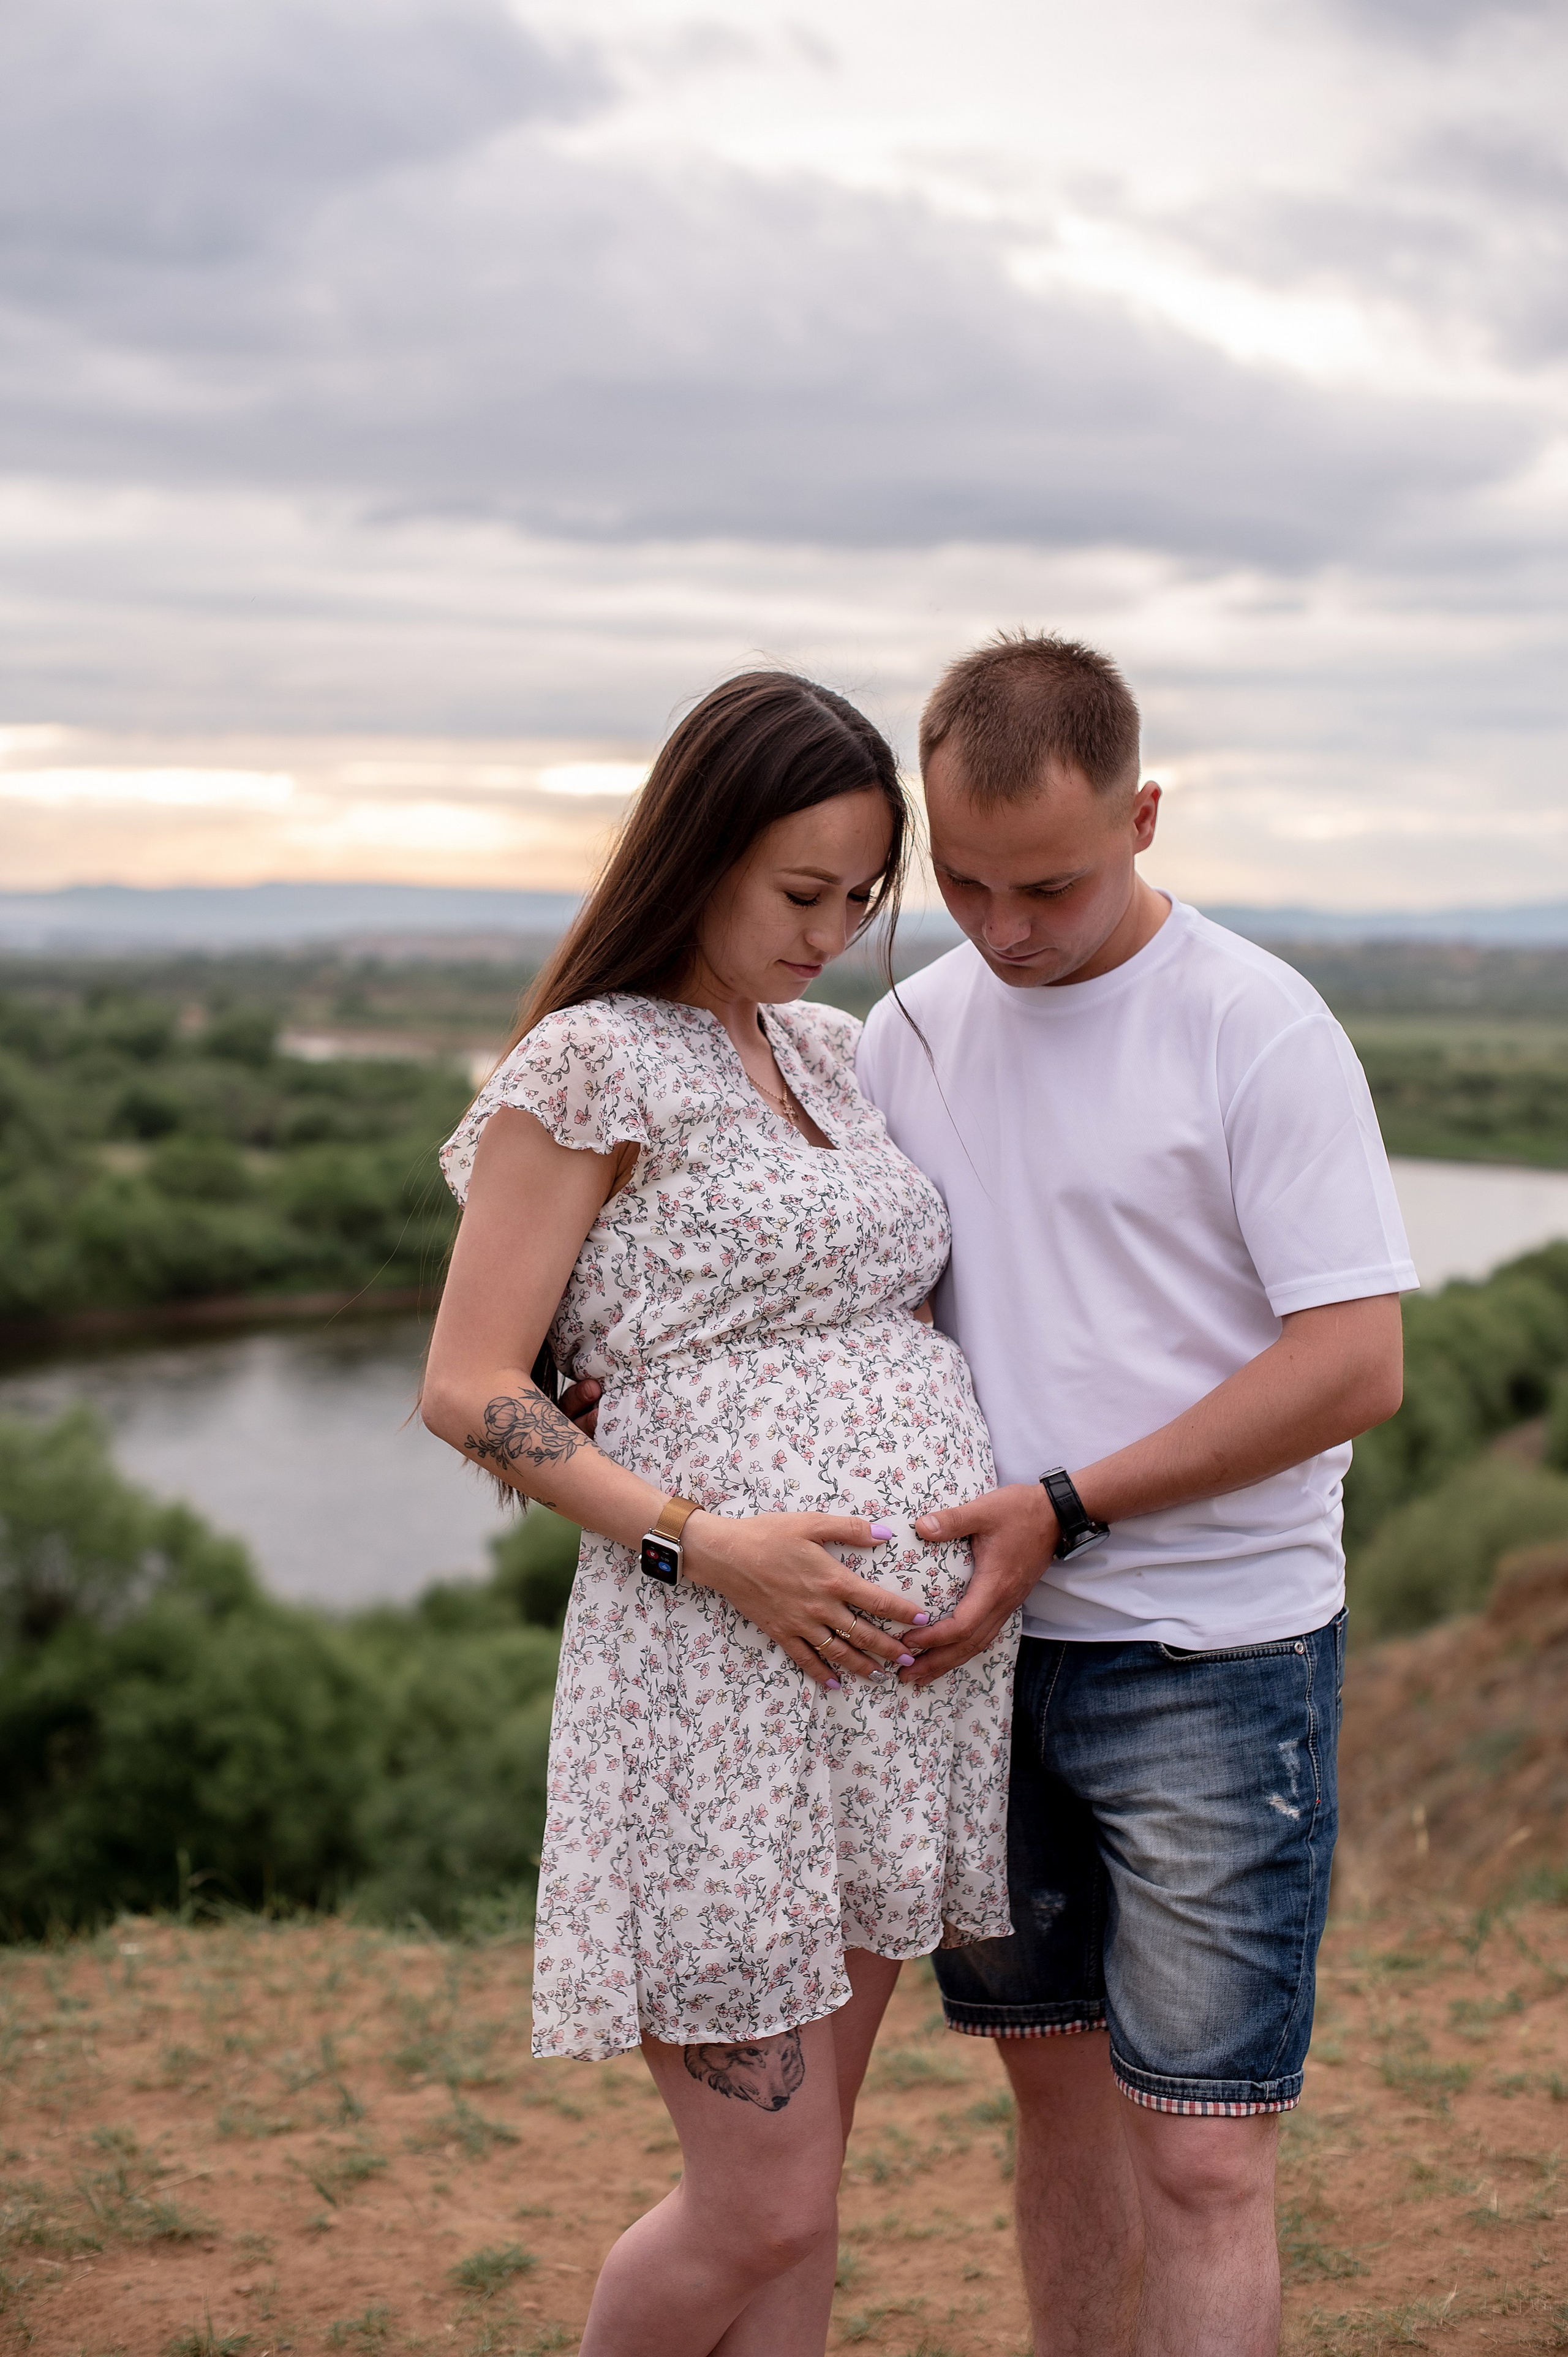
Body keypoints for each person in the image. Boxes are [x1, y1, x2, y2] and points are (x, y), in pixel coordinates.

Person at [420, 671, 1017, 2357]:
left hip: (886, 1687)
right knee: (758, 2200)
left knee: (808, 2202)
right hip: (716, 1683)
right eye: (798, 893)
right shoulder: (591, 1063)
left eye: (860, 898)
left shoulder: (828, 1050)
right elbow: (468, 1385)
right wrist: (709, 1538)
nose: (831, 932)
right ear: (696, 854)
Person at [854, 632, 1414, 2357]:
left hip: (1212, 1659)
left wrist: (1068, 1506)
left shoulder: (1261, 1027)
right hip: (982, 1664)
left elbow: (1354, 1365)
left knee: (1204, 2160)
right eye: (962, 883)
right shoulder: (907, 1031)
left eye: (1052, 884)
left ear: (1146, 814)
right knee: (1061, 2117)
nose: (1007, 928)